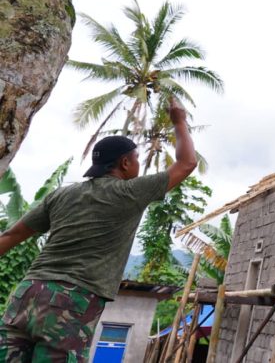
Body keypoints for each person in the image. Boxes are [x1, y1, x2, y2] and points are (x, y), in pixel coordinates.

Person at [0, 97, 197, 361]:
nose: (139, 165)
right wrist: (179, 121)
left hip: (27, 291)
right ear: (125, 163)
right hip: (72, 299)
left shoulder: (61, 195)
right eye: (137, 159)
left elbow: (11, 235)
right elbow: (187, 163)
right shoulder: (129, 193)